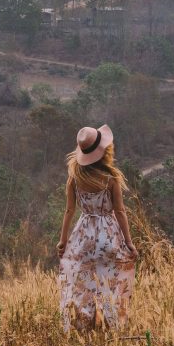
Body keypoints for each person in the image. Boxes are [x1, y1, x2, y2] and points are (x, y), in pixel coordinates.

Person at [57, 124, 138, 332]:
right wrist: (129, 242)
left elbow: (69, 211)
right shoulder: (111, 179)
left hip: (83, 236)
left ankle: (85, 325)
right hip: (108, 236)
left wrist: (63, 241)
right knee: (110, 282)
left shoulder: (74, 179)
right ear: (104, 151)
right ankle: (113, 326)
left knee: (84, 283)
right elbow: (120, 212)